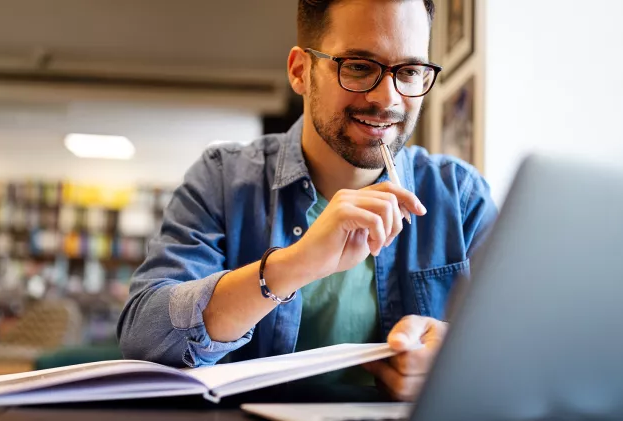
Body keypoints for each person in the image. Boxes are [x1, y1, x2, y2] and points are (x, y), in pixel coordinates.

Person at [118, 0, 498, 402]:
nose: (388, 98)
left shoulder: (461, 196)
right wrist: (292, 265)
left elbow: (522, 353)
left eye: (409, 71)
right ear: (301, 71)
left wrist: (453, 364)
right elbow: (145, 335)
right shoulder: (223, 179)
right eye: (358, 65)